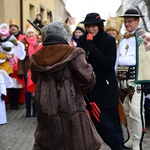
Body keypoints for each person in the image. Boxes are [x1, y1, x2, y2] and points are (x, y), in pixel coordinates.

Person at [30, 21, 101, 150]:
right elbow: (88, 79)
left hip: (44, 105)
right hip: (69, 107)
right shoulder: (73, 53)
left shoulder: (36, 56)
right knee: (74, 141)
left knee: (47, 140)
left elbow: (35, 79)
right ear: (64, 35)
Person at [77, 12, 124, 150]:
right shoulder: (82, 40)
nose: (90, 30)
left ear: (99, 26)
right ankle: (116, 144)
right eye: (88, 27)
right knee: (98, 123)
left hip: (106, 87)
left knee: (110, 121)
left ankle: (118, 145)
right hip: (89, 88)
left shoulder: (108, 40)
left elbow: (109, 65)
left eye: (94, 26)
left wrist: (94, 51)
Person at [115, 8, 147, 150]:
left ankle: (136, 142)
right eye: (125, 21)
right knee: (126, 111)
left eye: (130, 21)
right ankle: (130, 137)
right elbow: (117, 60)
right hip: (121, 79)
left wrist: (147, 82)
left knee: (136, 112)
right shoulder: (122, 39)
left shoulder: (145, 37)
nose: (127, 24)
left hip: (136, 79)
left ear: (137, 21)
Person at [105, 17, 126, 124]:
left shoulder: (121, 43)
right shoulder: (104, 44)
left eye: (113, 30)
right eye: (109, 31)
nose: (111, 32)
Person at [19, 24, 39, 117]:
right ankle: (28, 110)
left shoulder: (39, 42)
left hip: (36, 70)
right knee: (28, 91)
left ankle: (35, 110)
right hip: (27, 70)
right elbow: (20, 59)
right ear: (26, 35)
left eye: (32, 33)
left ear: (34, 34)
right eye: (29, 33)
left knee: (35, 90)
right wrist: (21, 71)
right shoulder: (23, 43)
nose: (30, 34)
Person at [8, 18, 26, 109]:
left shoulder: (22, 38)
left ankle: (19, 101)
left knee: (19, 84)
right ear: (9, 29)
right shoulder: (5, 37)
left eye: (15, 27)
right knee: (10, 85)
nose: (13, 28)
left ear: (18, 28)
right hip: (9, 65)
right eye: (11, 27)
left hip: (19, 64)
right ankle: (12, 103)